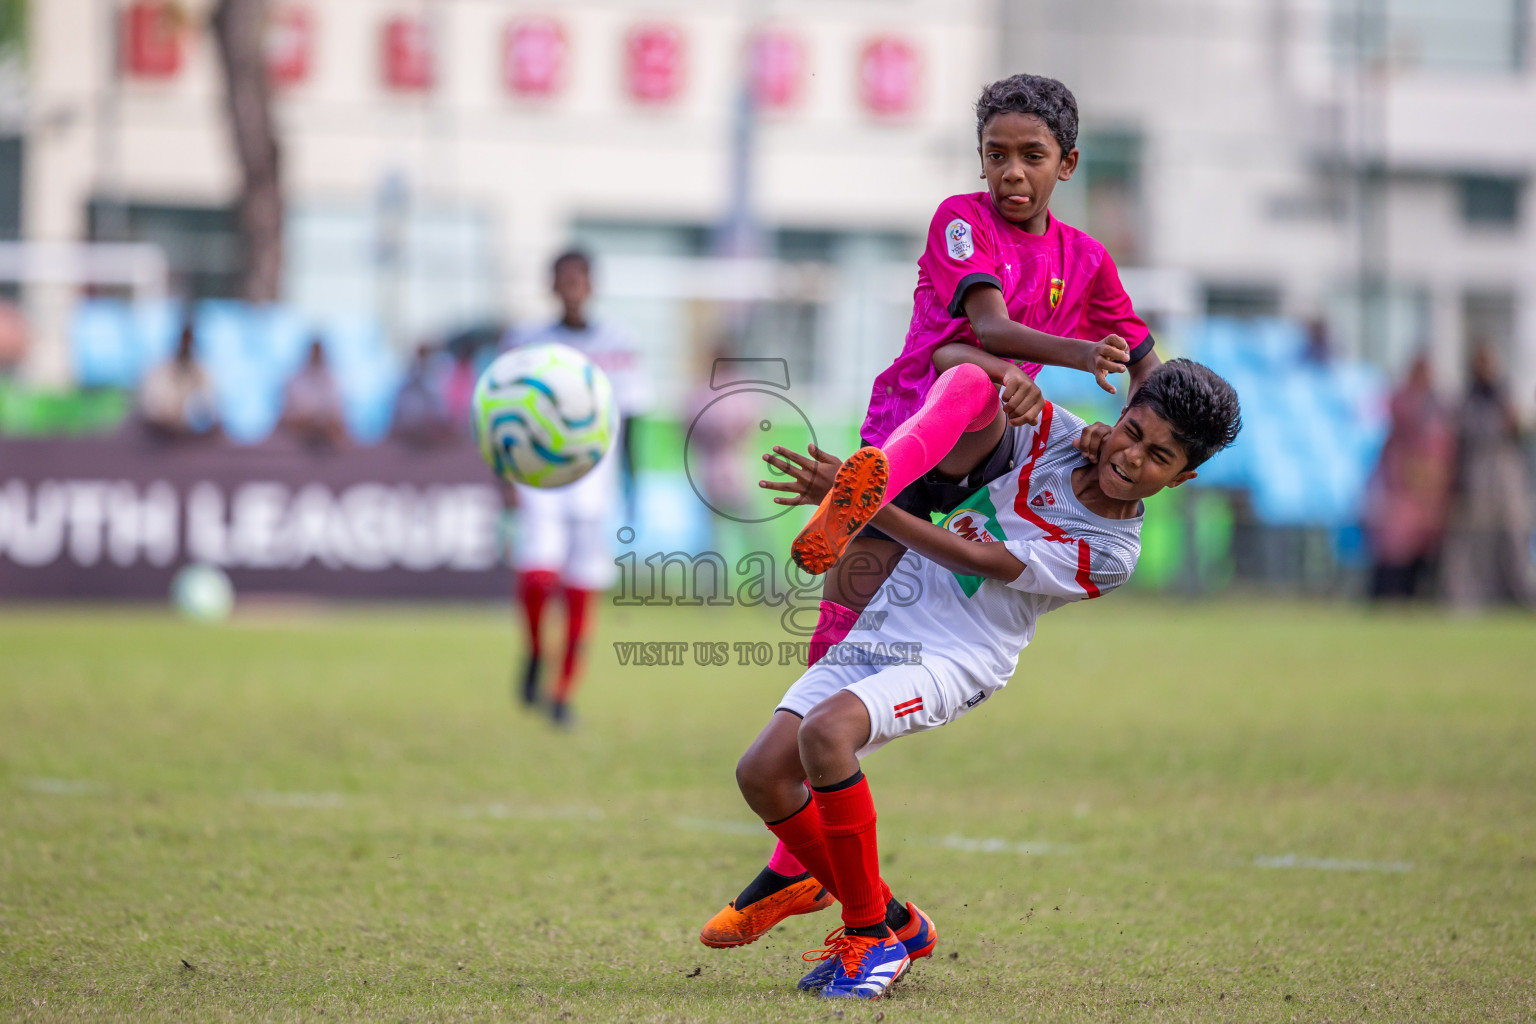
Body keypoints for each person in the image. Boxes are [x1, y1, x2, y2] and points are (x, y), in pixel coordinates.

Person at [700, 70, 1162, 950]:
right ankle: (812, 876)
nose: (1011, 173)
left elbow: (1143, 354)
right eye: (996, 155)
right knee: (828, 672)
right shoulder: (963, 216)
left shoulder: (1088, 260)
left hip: (970, 454)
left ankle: (814, 882)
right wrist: (1070, 356)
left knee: (973, 389)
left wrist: (1131, 416)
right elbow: (982, 330)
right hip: (906, 438)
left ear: (1068, 162)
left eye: (1031, 157)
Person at [723, 357, 1240, 999]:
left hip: (958, 654)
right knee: (762, 775)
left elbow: (972, 555)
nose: (1134, 457)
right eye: (1133, 432)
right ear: (1123, 413)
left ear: (1182, 477)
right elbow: (959, 387)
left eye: (1159, 456)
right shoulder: (1062, 435)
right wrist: (1007, 383)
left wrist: (865, 505)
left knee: (827, 738)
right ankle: (897, 923)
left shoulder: (1112, 553)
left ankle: (869, 941)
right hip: (891, 619)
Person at [504, 249, 651, 725]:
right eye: (563, 278)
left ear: (591, 285)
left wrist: (632, 483)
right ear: (551, 284)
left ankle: (564, 694)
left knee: (583, 582)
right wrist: (504, 472)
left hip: (594, 479)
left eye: (579, 278)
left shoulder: (617, 343)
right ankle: (533, 650)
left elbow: (630, 419)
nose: (572, 286)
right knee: (538, 572)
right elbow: (501, 412)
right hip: (540, 476)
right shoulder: (526, 342)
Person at [1441, 345, 1533, 608]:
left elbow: (1518, 434)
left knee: (1513, 538)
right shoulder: (1467, 398)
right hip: (1476, 479)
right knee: (1471, 540)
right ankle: (1466, 597)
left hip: (1505, 478)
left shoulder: (1504, 394)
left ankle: (1519, 594)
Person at [1364, 355, 1453, 599]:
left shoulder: (1435, 410)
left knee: (1421, 551)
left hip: (1427, 495)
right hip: (1402, 491)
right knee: (1395, 546)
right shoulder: (1405, 406)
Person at [137, 323, 219, 439]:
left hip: (195, 443)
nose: (185, 346)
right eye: (183, 341)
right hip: (163, 441)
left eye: (189, 341)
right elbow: (151, 411)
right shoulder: (158, 372)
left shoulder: (204, 372)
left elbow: (211, 412)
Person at [279, 337, 348, 448]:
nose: (317, 356)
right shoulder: (295, 380)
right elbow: (290, 414)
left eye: (319, 353)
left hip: (324, 431)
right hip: (299, 431)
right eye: (314, 353)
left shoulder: (332, 381)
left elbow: (336, 414)